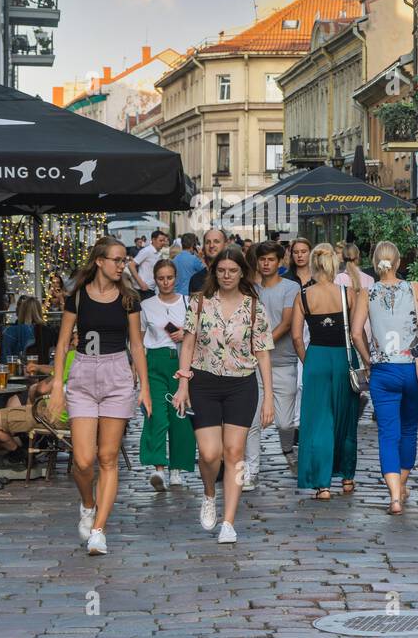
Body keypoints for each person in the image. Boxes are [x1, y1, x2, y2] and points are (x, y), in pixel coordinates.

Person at [49, 236, 152, 556]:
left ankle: (98, 531)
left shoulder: (129, 299)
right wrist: (56, 386)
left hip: (117, 375)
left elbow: (136, 344)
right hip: (82, 373)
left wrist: (145, 387)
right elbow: (63, 342)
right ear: (100, 261)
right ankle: (87, 503)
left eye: (124, 261)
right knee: (82, 461)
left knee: (107, 457)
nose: (123, 266)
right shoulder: (77, 297)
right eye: (118, 260)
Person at [172, 243, 274, 542]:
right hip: (203, 382)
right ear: (213, 272)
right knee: (209, 453)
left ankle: (229, 520)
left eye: (232, 271)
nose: (227, 275)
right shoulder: (201, 303)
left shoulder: (254, 306)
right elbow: (188, 344)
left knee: (235, 453)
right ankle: (208, 493)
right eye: (221, 271)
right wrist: (183, 383)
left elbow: (263, 353)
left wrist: (269, 396)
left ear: (242, 272)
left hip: (242, 384)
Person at [350, 240, 418, 515]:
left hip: (383, 371)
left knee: (388, 434)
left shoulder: (366, 292)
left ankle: (395, 498)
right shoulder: (414, 288)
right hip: (413, 368)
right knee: (409, 429)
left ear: (375, 263)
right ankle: (401, 485)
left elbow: (355, 333)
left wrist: (368, 359)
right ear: (399, 263)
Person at [292, 244, 359, 501]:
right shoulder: (347, 294)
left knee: (318, 421)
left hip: (317, 356)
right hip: (343, 355)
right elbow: (356, 332)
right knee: (345, 417)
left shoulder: (304, 296)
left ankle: (322, 485)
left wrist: (307, 360)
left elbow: (297, 336)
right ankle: (347, 477)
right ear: (333, 265)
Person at [139, 259, 196, 490]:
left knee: (180, 415)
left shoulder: (187, 302)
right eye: (161, 278)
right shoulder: (146, 306)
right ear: (155, 279)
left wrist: (185, 333)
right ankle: (159, 468)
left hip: (180, 360)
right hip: (154, 361)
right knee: (156, 414)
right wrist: (138, 370)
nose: (165, 282)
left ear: (176, 278)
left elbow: (198, 333)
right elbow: (139, 340)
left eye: (169, 277)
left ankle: (177, 469)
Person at [247, 241, 301, 480]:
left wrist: (261, 344)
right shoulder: (250, 289)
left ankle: (288, 449)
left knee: (285, 423)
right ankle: (252, 470)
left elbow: (287, 323)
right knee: (251, 422)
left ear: (279, 262)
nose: (266, 263)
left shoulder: (291, 287)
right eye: (262, 259)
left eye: (270, 259)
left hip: (282, 361)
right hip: (253, 365)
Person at [1, 296, 46, 361]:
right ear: (39, 311)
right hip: (44, 368)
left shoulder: (10, 331)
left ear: (21, 311)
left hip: (17, 368)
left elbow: (5, 358)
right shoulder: (48, 331)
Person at [188, 228, 226, 294]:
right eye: (208, 242)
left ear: (225, 245)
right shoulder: (196, 279)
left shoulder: (234, 277)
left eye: (216, 241)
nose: (211, 245)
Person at [131, 230, 168, 298]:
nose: (163, 243)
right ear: (153, 240)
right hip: (143, 290)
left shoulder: (158, 253)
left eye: (164, 241)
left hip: (151, 289)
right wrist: (141, 283)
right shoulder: (147, 250)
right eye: (160, 240)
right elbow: (131, 265)